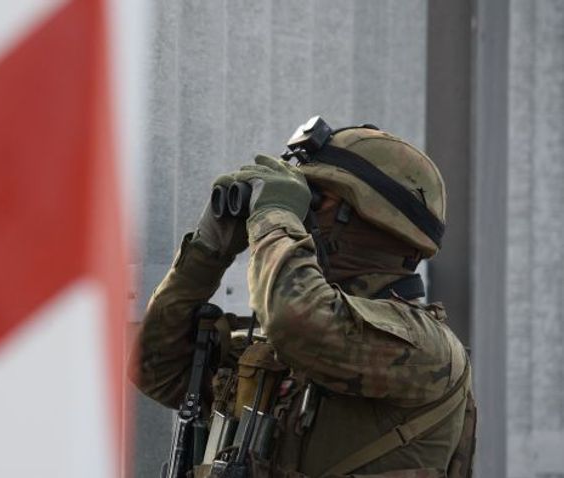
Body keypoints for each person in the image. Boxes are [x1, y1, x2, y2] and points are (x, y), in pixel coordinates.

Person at [130, 122, 476, 478]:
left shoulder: (428, 351)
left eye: (314, 200)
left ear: (372, 222)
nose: (301, 217)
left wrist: (274, 216)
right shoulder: (277, 351)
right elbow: (155, 369)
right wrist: (208, 250)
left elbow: (297, 320)